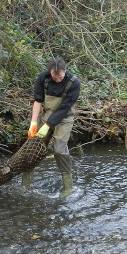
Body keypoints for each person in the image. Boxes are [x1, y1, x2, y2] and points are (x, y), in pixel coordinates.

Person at [23, 57, 81, 196]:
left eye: (60, 77)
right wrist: (34, 123)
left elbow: (64, 108)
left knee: (59, 151)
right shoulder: (44, 78)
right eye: (55, 77)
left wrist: (48, 126)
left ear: (65, 71)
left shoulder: (74, 83)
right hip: (46, 116)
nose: (57, 79)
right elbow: (38, 101)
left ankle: (68, 187)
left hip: (65, 118)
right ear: (50, 72)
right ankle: (25, 186)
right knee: (33, 149)